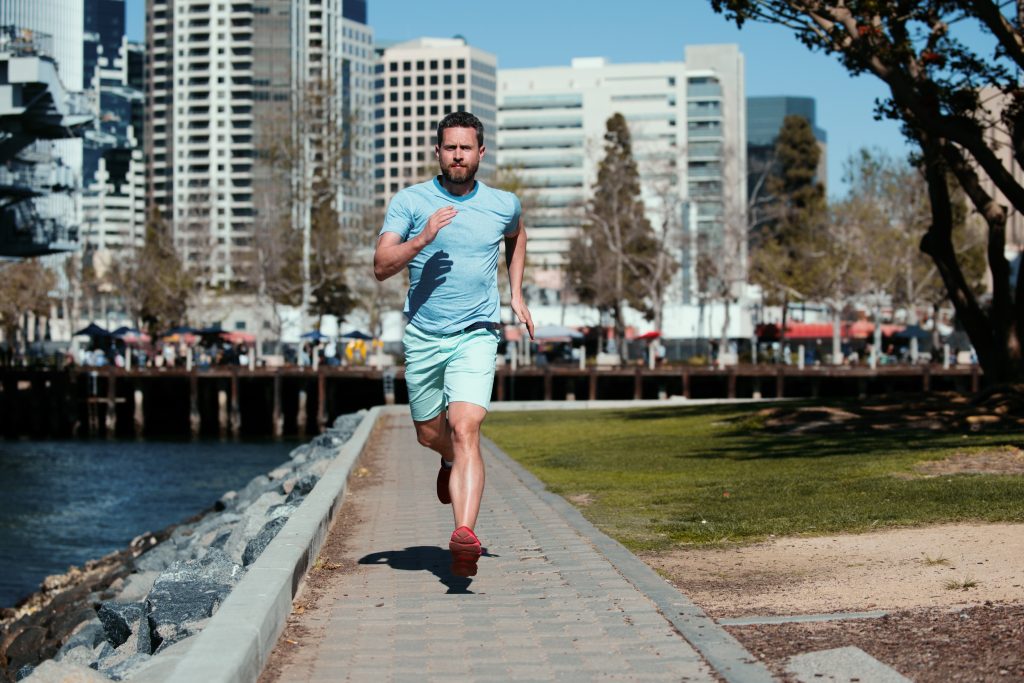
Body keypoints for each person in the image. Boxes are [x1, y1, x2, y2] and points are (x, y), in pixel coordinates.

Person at [373, 111, 534, 577]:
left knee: (466, 428)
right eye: (450, 148)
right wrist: (422, 238)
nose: (458, 155)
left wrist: (516, 293)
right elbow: (381, 266)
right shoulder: (411, 201)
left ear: (480, 152)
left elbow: (517, 234)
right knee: (430, 434)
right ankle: (445, 458)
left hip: (477, 332)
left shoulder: (503, 203)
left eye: (466, 148)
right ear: (438, 152)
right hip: (424, 335)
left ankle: (464, 536)